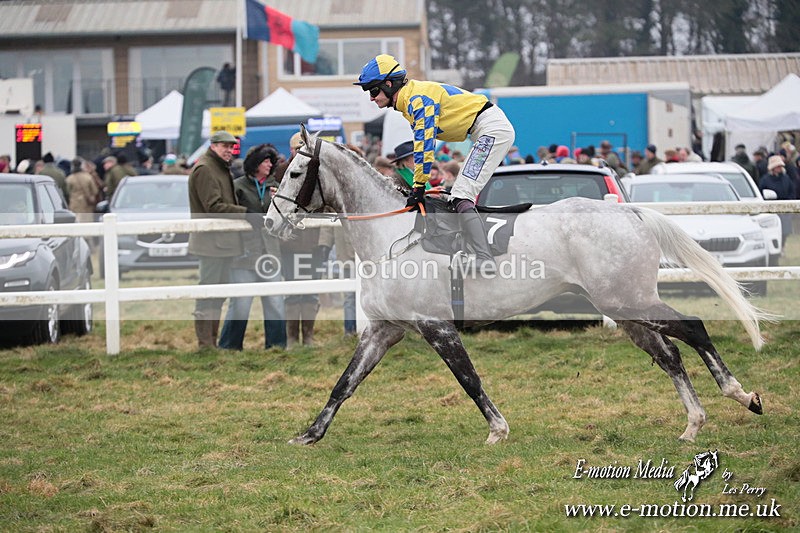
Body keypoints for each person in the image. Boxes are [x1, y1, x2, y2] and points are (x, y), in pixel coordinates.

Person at [354, 54, 515, 273]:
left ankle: (483, 258)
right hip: (486, 129)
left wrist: (419, 186)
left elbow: (424, 145)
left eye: (373, 91)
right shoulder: (411, 98)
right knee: (458, 194)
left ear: (389, 84)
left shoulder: (416, 99)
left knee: (461, 194)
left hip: (491, 130)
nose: (371, 98)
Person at [218, 144, 287, 350]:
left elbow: (285, 216)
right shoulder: (237, 186)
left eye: (271, 161)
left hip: (270, 252)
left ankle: (276, 346)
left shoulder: (277, 186)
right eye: (265, 160)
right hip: (244, 253)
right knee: (241, 303)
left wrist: (278, 202)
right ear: (255, 164)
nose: (269, 164)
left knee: (275, 302)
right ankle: (230, 346)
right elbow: (229, 211)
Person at [187, 130, 251, 349]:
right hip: (211, 243)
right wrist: (246, 212)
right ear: (213, 146)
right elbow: (212, 206)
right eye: (224, 146)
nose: (229, 150)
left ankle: (211, 343)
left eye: (231, 147)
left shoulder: (217, 167)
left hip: (222, 242)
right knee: (208, 293)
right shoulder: (206, 168)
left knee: (218, 295)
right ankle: (205, 344)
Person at [274, 131, 325, 347]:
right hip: (290, 244)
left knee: (311, 292)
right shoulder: (283, 173)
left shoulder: (316, 172)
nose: (300, 154)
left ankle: (309, 335)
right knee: (293, 292)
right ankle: (293, 337)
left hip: (312, 242)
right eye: (297, 149)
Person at [65, 158, 100, 224]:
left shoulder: (69, 179)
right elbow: (95, 191)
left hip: (74, 205)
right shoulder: (88, 177)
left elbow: (67, 192)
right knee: (87, 224)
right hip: (87, 205)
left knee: (75, 223)